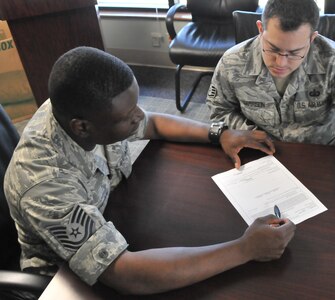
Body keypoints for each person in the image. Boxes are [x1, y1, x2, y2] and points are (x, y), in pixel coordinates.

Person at [4, 46, 296, 295]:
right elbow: (125, 274)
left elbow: (152, 123)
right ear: (81, 127)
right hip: (65, 280)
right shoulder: (46, 183)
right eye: (128, 116)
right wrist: (245, 249)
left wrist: (218, 133)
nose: (138, 116)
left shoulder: (88, 110)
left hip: (113, 216)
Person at [207, 0, 335, 218]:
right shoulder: (233, 62)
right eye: (273, 49)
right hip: (258, 159)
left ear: (312, 38)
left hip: (322, 157)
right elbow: (219, 110)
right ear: (260, 29)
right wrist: (246, 133)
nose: (281, 62)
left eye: (294, 52)